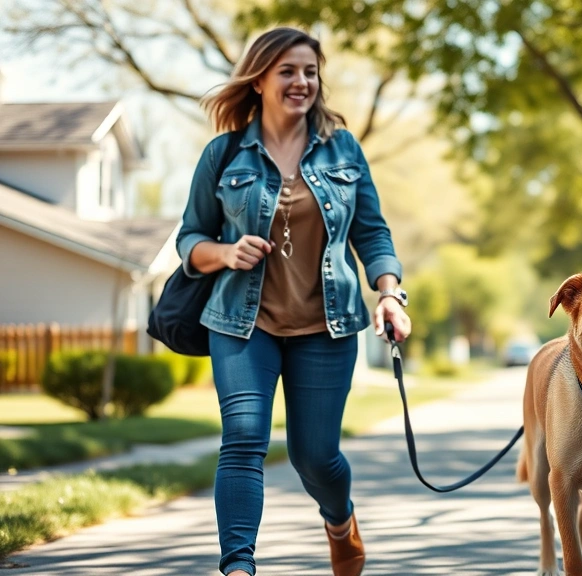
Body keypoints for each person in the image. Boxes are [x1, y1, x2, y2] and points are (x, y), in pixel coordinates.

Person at [176, 27, 412, 576]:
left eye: (309, 71)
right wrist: (225, 251)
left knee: (315, 456)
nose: (301, 81)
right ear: (258, 80)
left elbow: (372, 232)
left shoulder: (342, 148)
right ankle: (238, 566)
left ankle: (339, 518)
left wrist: (389, 295)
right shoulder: (225, 153)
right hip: (241, 323)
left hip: (325, 329)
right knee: (242, 439)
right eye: (288, 71)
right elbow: (190, 238)